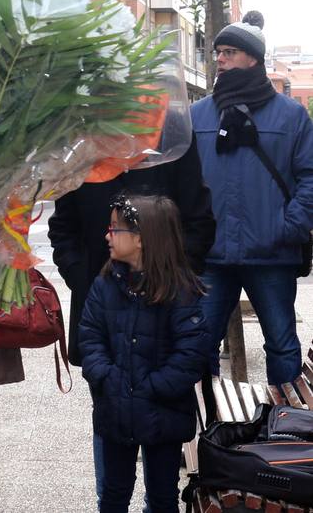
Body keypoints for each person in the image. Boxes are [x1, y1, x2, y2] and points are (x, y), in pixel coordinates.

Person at [48, 139, 214, 505]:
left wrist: (171, 282)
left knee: (162, 478)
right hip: (103, 304)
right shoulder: (83, 144)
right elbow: (63, 228)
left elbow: (199, 222)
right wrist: (88, 282)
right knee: (110, 429)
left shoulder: (171, 141)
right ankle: (108, 500)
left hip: (165, 314)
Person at [192, 21, 313, 385]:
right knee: (198, 346)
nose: (221, 61)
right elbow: (181, 181)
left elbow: (310, 176)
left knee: (282, 346)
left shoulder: (291, 115)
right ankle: (209, 430)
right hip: (212, 254)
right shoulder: (197, 115)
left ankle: (287, 432)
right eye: (218, 54)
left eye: (230, 53)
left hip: (271, 253)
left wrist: (287, 226)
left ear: (254, 59)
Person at [78, 195, 210, 513]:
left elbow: (190, 354)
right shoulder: (106, 283)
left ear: (140, 239)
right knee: (113, 493)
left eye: (115, 229)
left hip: (163, 412)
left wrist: (151, 388)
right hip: (116, 407)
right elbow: (90, 337)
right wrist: (108, 377)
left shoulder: (179, 289)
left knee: (163, 495)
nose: (107, 235)